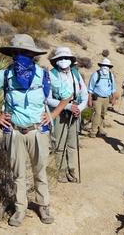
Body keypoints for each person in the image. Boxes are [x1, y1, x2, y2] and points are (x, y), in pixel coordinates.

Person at [0, 34, 72, 227]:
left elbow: (67, 95)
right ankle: (20, 209)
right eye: (17, 52)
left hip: (38, 131)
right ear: (12, 54)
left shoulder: (44, 74)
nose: (21, 56)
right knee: (18, 173)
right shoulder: (5, 75)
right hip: (15, 132)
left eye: (24, 52)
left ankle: (43, 206)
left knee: (40, 170)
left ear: (32, 54)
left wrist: (52, 115)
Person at [47, 46, 88, 183]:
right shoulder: (51, 75)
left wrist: (79, 108)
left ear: (71, 60)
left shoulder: (76, 74)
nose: (64, 61)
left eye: (66, 58)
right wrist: (68, 106)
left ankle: (71, 169)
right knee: (59, 143)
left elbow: (84, 94)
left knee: (72, 143)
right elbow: (48, 99)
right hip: (60, 113)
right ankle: (61, 170)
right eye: (60, 58)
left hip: (75, 113)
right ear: (56, 60)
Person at [87, 58, 117, 138]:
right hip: (97, 98)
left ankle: (100, 129)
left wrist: (113, 98)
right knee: (97, 114)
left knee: (103, 114)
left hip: (106, 98)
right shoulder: (96, 74)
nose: (105, 67)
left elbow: (113, 88)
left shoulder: (110, 75)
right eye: (104, 65)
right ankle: (93, 131)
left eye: (107, 66)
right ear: (101, 66)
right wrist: (89, 100)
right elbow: (90, 89)